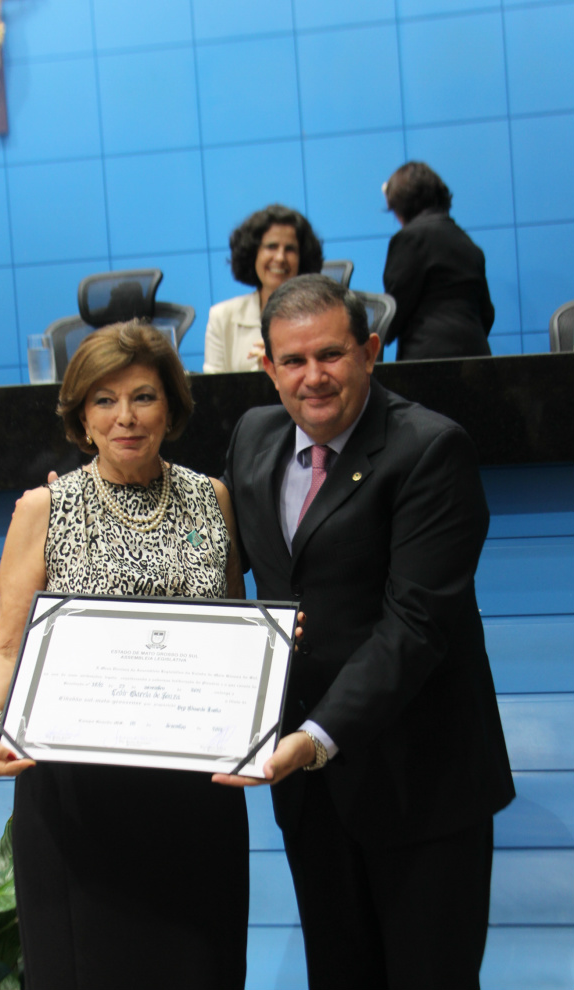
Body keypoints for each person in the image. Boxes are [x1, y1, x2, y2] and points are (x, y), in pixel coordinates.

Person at [214, 275, 515, 990]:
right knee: (338, 974)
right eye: (293, 360)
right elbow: (220, 570)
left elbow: (415, 624)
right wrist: (80, 496)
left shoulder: (430, 450)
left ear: (370, 350)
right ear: (268, 367)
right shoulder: (252, 437)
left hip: (423, 782)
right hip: (313, 797)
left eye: (330, 354)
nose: (312, 377)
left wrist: (314, 738)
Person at [0, 321, 249, 990]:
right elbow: (7, 648)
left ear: (171, 407)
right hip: (77, 806)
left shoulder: (214, 500)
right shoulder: (44, 508)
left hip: (193, 801)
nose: (125, 417)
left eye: (144, 396)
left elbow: (234, 630)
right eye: (103, 400)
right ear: (80, 415)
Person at [382, 161, 495, 360]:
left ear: (399, 207)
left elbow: (395, 309)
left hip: (428, 360)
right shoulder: (466, 242)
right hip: (477, 358)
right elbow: (487, 313)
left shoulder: (409, 239)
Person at [203, 203, 323, 373]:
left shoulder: (321, 316)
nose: (280, 257)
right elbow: (213, 392)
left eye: (290, 249)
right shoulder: (222, 317)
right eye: (271, 246)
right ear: (253, 254)